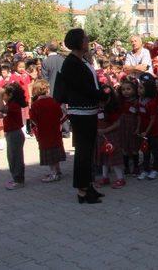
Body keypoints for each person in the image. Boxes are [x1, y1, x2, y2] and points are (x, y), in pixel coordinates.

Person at [58, 28, 102, 204]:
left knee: (89, 151)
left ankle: (89, 185)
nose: (88, 41)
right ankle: (82, 191)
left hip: (89, 111)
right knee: (83, 152)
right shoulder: (71, 63)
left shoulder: (81, 60)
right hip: (81, 112)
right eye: (85, 38)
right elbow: (83, 88)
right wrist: (102, 95)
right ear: (78, 42)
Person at [0, 82, 28, 190]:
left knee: (16, 158)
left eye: (5, 94)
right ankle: (16, 178)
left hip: (15, 134)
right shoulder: (10, 105)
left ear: (10, 95)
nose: (3, 96)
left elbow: (1, 109)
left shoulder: (14, 105)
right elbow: (0, 115)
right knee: (12, 157)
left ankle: (19, 180)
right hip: (11, 134)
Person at [29, 79, 66, 183]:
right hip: (55, 130)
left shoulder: (36, 105)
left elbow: (33, 119)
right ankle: (58, 171)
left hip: (44, 132)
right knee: (55, 150)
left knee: (49, 153)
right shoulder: (54, 102)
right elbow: (60, 115)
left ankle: (53, 173)